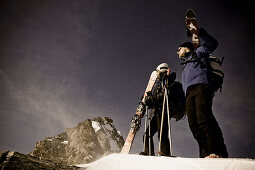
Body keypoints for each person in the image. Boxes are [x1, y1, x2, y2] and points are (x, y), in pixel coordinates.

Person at [177, 27, 228, 158]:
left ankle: (215, 151)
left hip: (202, 86)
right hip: (189, 93)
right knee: (194, 125)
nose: (177, 52)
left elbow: (213, 44)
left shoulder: (199, 53)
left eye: (179, 48)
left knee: (203, 118)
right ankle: (204, 155)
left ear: (186, 48)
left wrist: (202, 34)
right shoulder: (185, 66)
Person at [139, 63, 185, 156]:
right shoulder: (159, 86)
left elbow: (165, 96)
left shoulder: (171, 83)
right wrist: (148, 100)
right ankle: (148, 153)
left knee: (162, 132)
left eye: (159, 74)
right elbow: (156, 100)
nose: (158, 77)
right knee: (147, 134)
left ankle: (165, 153)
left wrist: (152, 99)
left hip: (166, 109)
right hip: (158, 111)